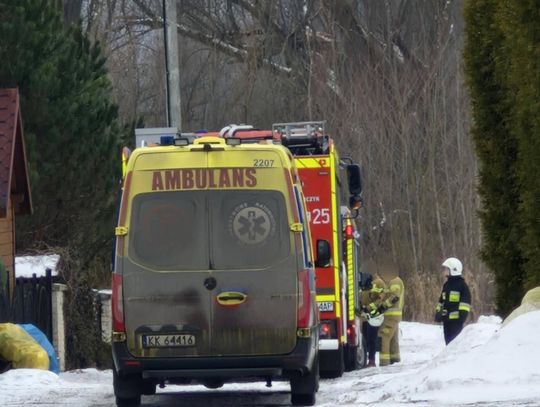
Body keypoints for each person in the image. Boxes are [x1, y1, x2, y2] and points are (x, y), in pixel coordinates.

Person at [435, 257, 471, 345]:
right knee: (448, 344)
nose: (444, 271)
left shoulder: (462, 285)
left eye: (446, 269)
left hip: (456, 322)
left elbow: (465, 303)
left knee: (454, 344)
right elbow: (441, 301)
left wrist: (462, 317)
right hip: (446, 320)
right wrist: (438, 313)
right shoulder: (446, 285)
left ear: (454, 270)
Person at [358, 261, 387, 367]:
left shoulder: (379, 283)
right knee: (365, 338)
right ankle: (366, 359)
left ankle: (371, 360)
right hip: (364, 316)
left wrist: (370, 307)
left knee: (372, 338)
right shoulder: (364, 282)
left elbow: (380, 299)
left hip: (374, 315)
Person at [377, 260, 404, 366]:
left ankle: (384, 361)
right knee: (392, 338)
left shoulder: (394, 281)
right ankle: (394, 358)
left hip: (391, 315)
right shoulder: (392, 281)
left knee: (384, 336)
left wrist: (383, 306)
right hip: (393, 316)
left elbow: (395, 297)